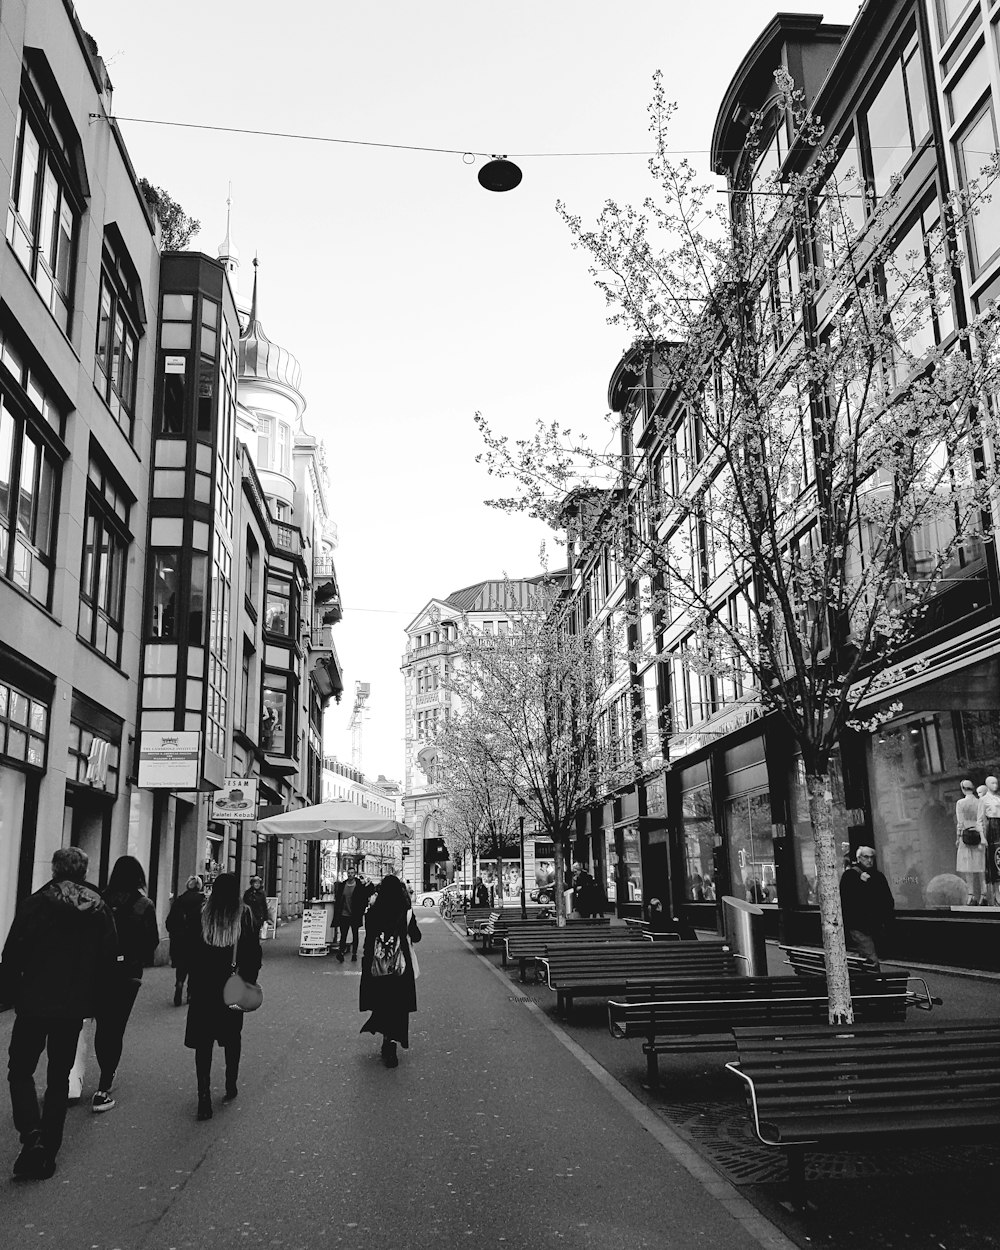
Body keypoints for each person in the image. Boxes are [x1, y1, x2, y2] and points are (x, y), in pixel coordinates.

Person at [0, 847, 116, 1180]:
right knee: (58, 1077)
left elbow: (12, 953)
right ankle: (48, 1151)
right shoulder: (98, 909)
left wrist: (9, 993)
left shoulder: (35, 904)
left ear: (54, 869)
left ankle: (31, 1136)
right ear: (84, 870)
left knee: (20, 1070)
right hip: (72, 1005)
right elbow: (109, 959)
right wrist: (98, 1002)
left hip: (33, 1002)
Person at [184, 872, 262, 1121]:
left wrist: (190, 981)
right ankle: (230, 1083)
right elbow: (253, 954)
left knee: (203, 1043)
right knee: (232, 1037)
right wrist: (249, 978)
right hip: (231, 986)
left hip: (204, 986)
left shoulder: (202, 913)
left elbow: (190, 950)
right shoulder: (244, 914)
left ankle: (203, 1096)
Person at [91, 856, 160, 1113]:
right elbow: (152, 940)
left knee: (103, 1024)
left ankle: (105, 1073)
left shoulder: (99, 899)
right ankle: (104, 1084)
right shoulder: (143, 903)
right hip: (128, 973)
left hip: (99, 972)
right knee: (116, 1026)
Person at [359, 875, 422, 1068]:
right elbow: (417, 936)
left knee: (383, 1003)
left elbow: (368, 939)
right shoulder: (405, 912)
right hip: (400, 968)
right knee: (399, 1007)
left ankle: (386, 1039)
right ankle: (392, 1043)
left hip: (378, 967)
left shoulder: (373, 912)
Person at [839, 845, 895, 971]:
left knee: (866, 957)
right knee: (871, 959)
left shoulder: (878, 876)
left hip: (876, 925)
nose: (869, 860)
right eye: (866, 857)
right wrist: (862, 884)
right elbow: (848, 901)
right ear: (859, 858)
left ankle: (865, 982)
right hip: (859, 926)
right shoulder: (850, 875)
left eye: (872, 857)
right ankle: (876, 985)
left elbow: (887, 900)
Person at [166, 875, 205, 1006]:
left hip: (181, 940)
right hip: (197, 940)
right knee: (195, 968)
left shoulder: (179, 900)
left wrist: (175, 933)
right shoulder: (203, 902)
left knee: (182, 965)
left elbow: (169, 922)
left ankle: (179, 983)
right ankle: (190, 994)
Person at [955, 779, 986, 905]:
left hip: (966, 836)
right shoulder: (980, 802)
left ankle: (971, 896)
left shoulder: (960, 803)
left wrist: (958, 838)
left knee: (968, 868)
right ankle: (984, 895)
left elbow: (960, 823)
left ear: (963, 789)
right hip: (978, 835)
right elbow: (982, 820)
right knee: (981, 867)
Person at [333, 865, 372, 962]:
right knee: (343, 935)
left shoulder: (359, 885)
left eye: (352, 873)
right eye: (348, 873)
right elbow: (338, 898)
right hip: (344, 913)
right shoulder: (343, 885)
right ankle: (341, 952)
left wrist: (369, 883)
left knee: (355, 934)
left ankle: (354, 953)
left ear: (354, 875)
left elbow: (367, 893)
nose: (350, 875)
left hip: (354, 914)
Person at [978, 776, 1000, 905]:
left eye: (996, 782)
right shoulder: (983, 800)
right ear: (987, 784)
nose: (995, 785)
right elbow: (979, 820)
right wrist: (982, 837)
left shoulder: (998, 798)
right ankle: (997, 896)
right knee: (996, 860)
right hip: (993, 828)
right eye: (992, 782)